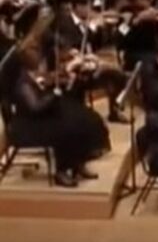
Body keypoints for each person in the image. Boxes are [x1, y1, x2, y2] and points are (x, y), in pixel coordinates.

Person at [3, 45, 110, 187]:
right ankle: (61, 171)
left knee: (81, 119)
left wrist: (53, 89)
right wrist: (54, 94)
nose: (41, 63)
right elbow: (35, 107)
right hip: (27, 126)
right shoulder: (22, 83)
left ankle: (78, 164)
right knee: (66, 129)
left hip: (37, 118)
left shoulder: (30, 76)